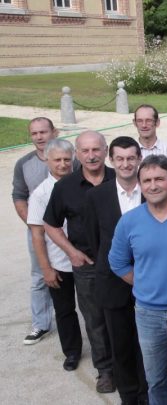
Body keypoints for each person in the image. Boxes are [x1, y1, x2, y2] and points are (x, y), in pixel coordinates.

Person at [109, 155, 167, 404]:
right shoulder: (129, 221)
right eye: (147, 180)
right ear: (140, 184)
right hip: (148, 314)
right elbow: (117, 262)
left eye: (160, 179)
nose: (153, 185)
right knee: (157, 380)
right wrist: (142, 282)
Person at [43, 130, 115, 392]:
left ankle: (128, 365)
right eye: (85, 151)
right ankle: (105, 370)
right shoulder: (65, 187)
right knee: (95, 319)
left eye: (96, 149)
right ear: (77, 154)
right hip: (86, 265)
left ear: (106, 151)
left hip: (122, 264)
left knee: (125, 316)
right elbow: (50, 225)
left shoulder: (121, 179)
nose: (91, 155)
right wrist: (71, 251)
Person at [85, 136, 149, 404]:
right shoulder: (97, 196)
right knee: (120, 345)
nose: (125, 164)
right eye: (120, 158)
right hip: (112, 283)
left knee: (146, 346)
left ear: (139, 160)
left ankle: (148, 394)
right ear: (111, 160)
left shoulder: (152, 190)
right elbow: (94, 241)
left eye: (131, 158)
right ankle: (130, 397)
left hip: (148, 280)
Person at [26, 139, 78, 368]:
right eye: (57, 160)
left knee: (96, 309)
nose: (63, 164)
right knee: (65, 310)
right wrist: (46, 268)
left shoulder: (82, 183)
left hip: (86, 259)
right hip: (58, 262)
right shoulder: (40, 193)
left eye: (67, 159)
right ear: (47, 160)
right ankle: (72, 352)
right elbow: (37, 234)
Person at [13, 117, 59, 345]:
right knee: (39, 276)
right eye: (35, 133)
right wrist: (32, 223)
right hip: (38, 229)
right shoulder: (24, 164)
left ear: (54, 132)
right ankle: (40, 323)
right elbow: (19, 196)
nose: (40, 137)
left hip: (67, 228)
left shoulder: (68, 158)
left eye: (44, 132)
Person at [133, 104, 167, 186]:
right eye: (140, 121)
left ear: (157, 122)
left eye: (148, 120)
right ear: (134, 123)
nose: (144, 125)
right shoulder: (129, 154)